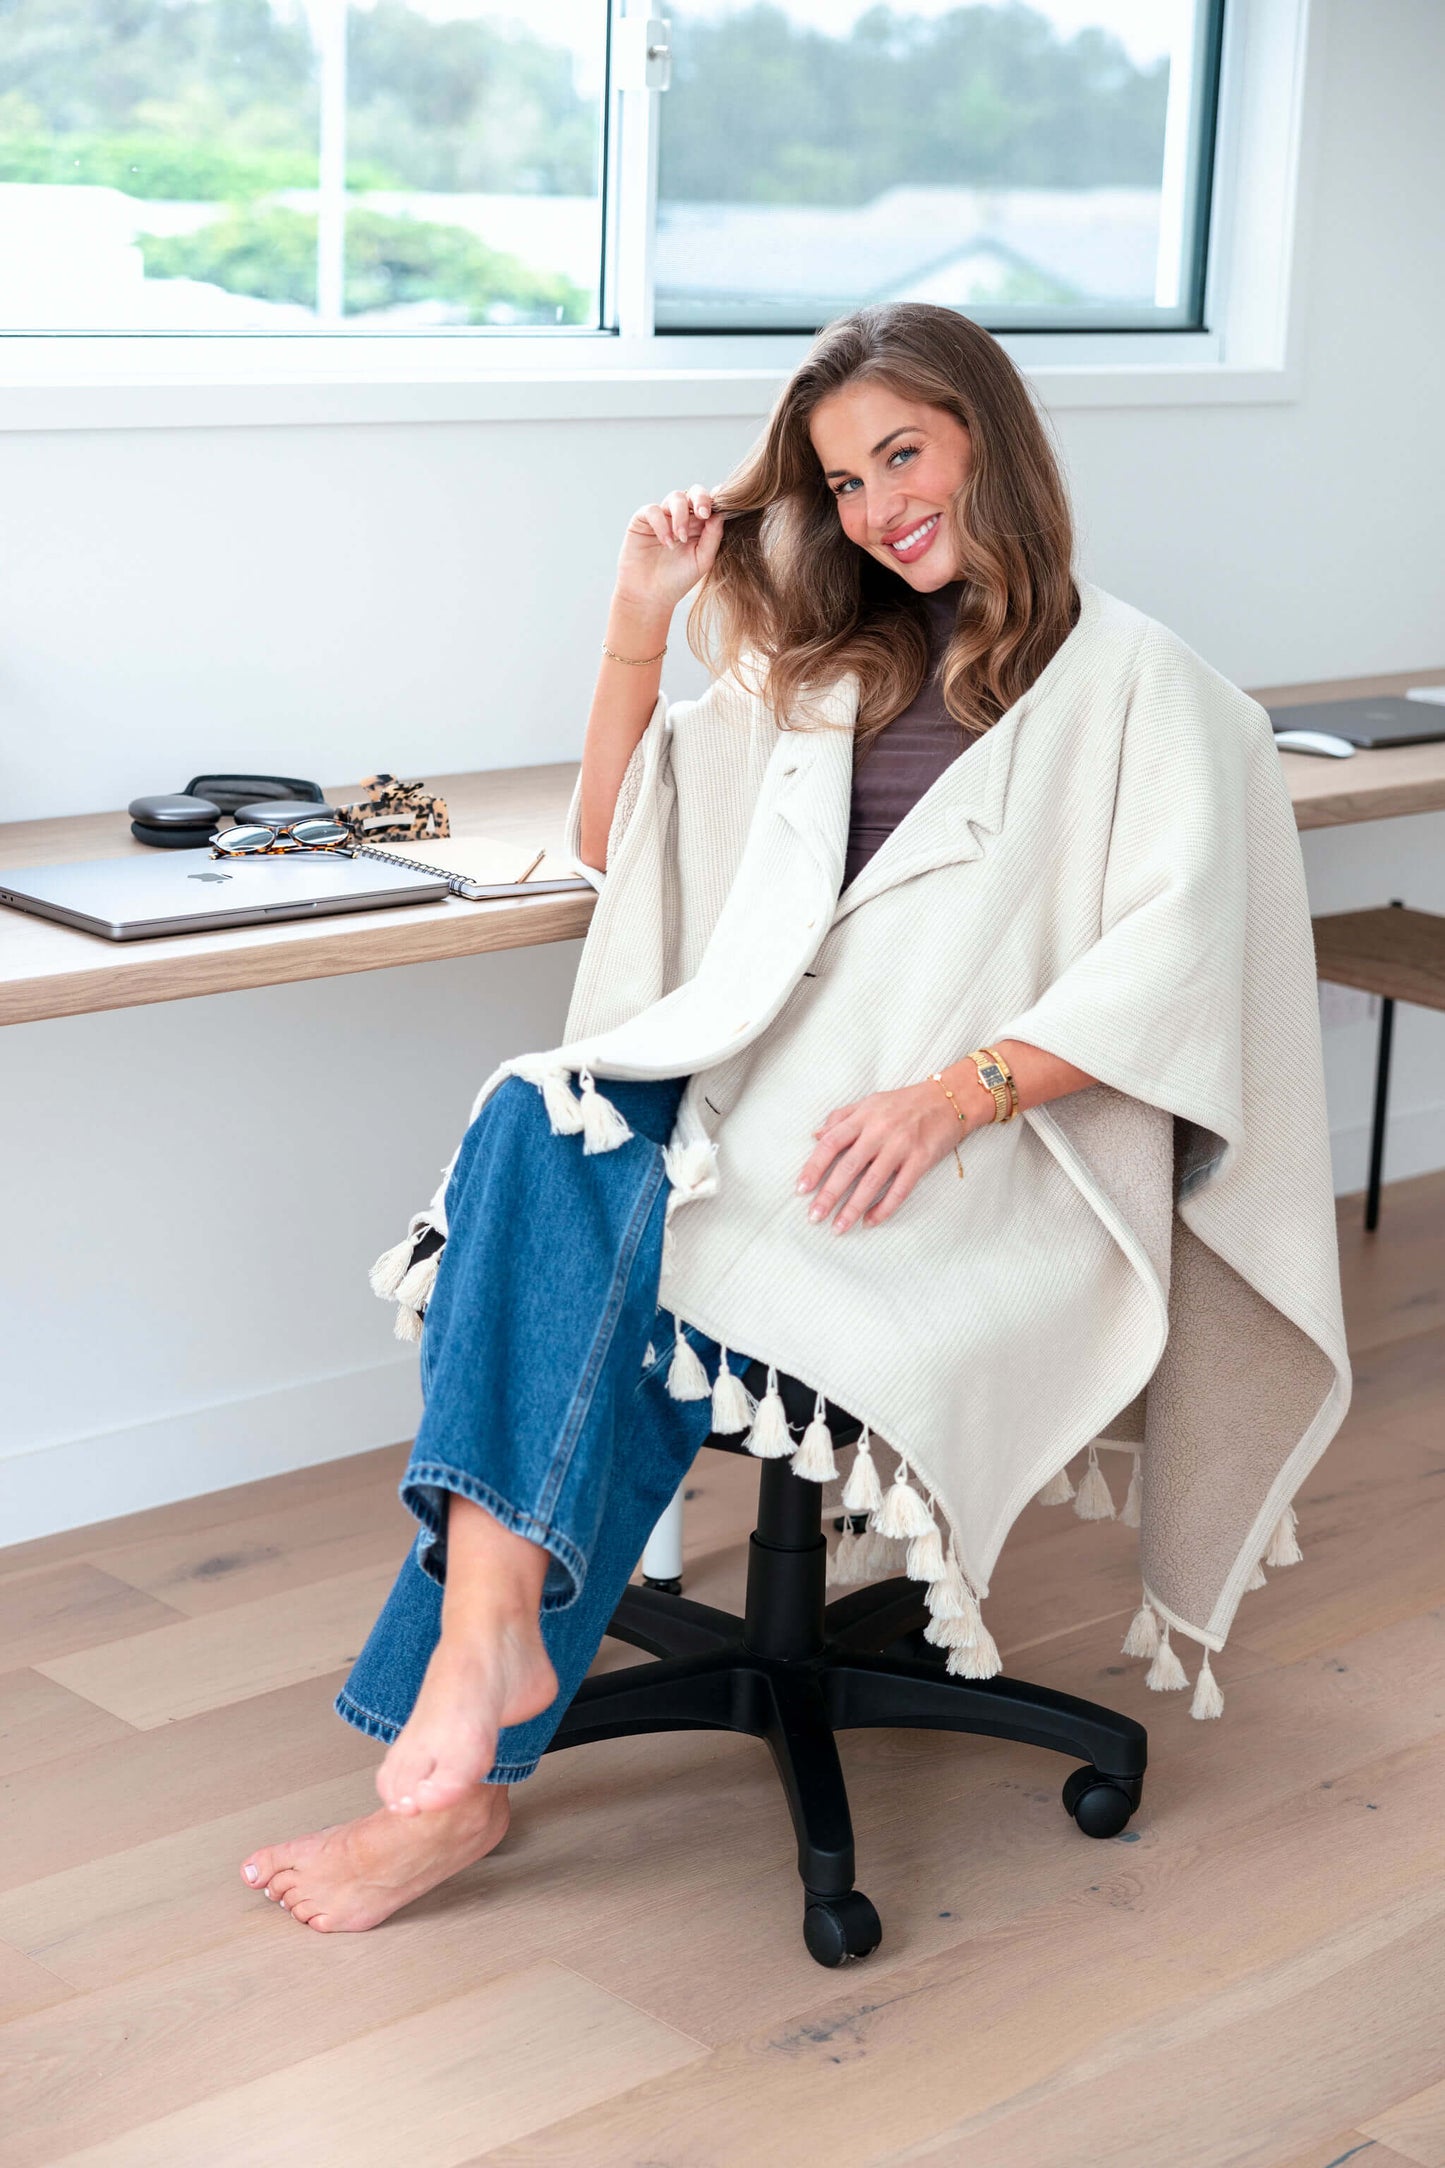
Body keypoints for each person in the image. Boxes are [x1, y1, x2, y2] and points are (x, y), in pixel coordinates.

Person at [240, 302, 1347, 1932]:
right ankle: (487, 1652)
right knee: (539, 1132)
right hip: (756, 1109)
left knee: (593, 1254)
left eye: (901, 451)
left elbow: (1179, 968)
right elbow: (625, 850)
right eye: (837, 480)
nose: (874, 503)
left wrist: (953, 1092)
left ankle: (470, 1739)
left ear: (987, 434)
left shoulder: (1149, 690)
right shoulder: (827, 672)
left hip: (965, 1161)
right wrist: (638, 625)